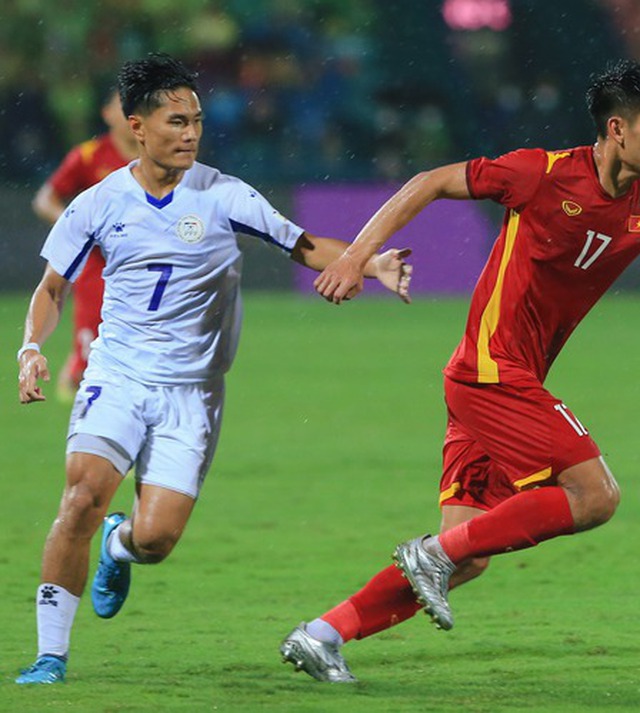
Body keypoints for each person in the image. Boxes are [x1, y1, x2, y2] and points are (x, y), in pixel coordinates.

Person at [279, 59, 640, 683]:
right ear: (618, 130)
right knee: (594, 496)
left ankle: (322, 634)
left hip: (499, 385)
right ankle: (427, 556)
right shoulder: (541, 173)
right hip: (490, 370)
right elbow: (430, 180)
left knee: (469, 554)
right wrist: (357, 257)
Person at [14, 53, 411, 686]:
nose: (191, 133)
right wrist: (31, 347)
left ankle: (120, 546)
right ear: (137, 125)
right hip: (116, 374)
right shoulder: (97, 202)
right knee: (83, 494)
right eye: (176, 121)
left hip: (192, 394)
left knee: (156, 542)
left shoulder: (226, 195)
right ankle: (50, 656)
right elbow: (51, 288)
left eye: (196, 119)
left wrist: (369, 262)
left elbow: (304, 246)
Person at [32, 89, 139, 401]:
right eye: (124, 106)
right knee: (92, 340)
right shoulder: (90, 155)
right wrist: (75, 228)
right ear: (107, 114)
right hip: (97, 265)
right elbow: (44, 199)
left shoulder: (155, 157)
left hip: (141, 261)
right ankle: (76, 379)